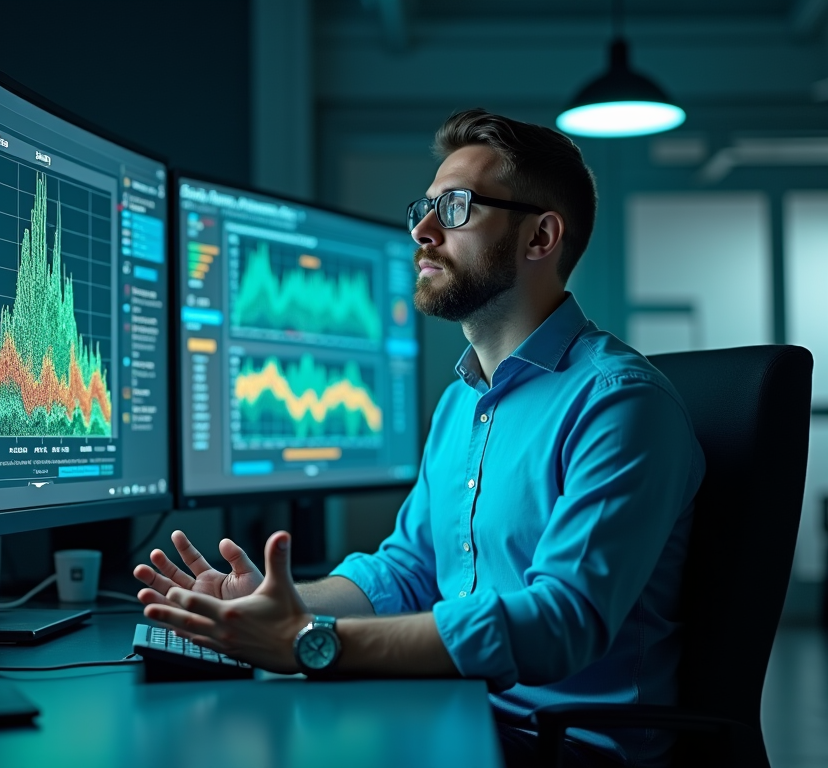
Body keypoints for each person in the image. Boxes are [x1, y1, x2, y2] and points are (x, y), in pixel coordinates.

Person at [133, 109, 705, 768]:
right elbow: (409, 570)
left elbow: (561, 621)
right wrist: (269, 603)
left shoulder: (620, 404)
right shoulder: (463, 400)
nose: (423, 232)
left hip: (568, 747)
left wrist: (308, 641)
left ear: (541, 237)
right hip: (462, 712)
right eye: (424, 209)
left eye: (455, 208)